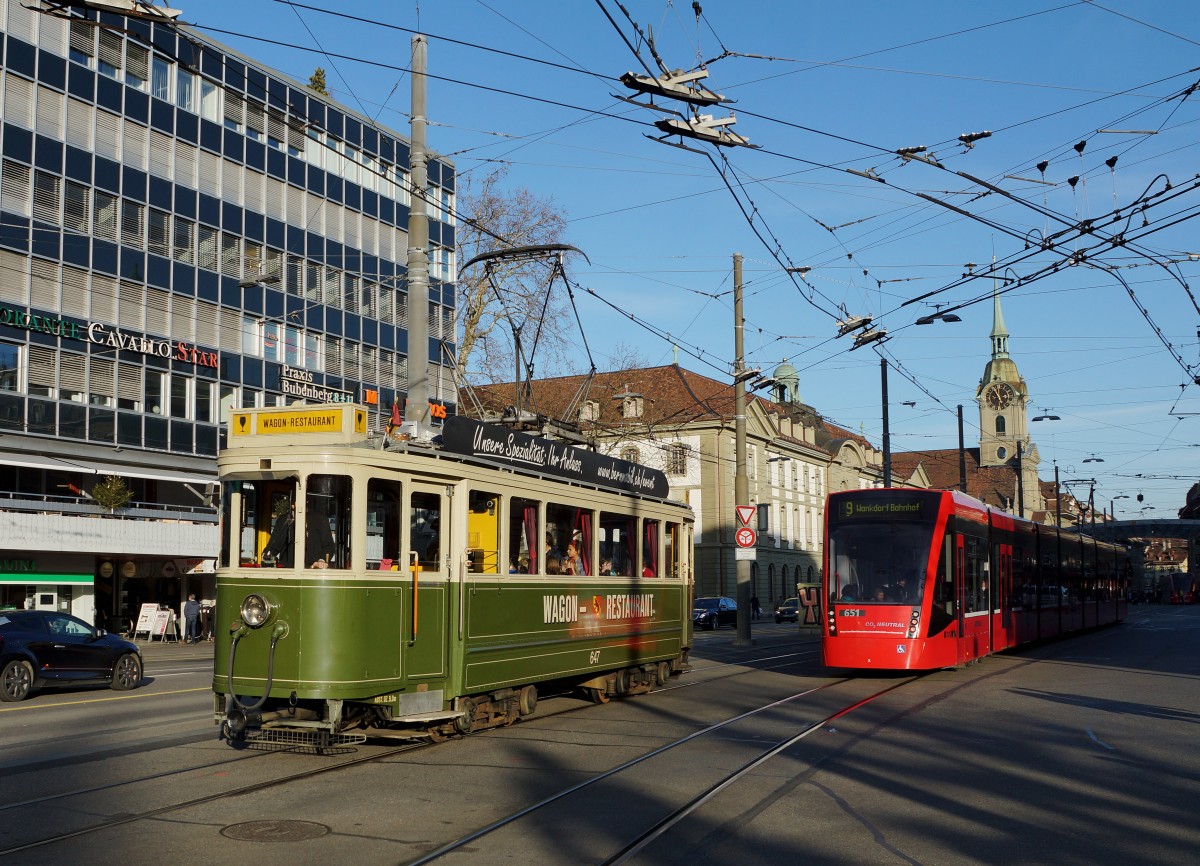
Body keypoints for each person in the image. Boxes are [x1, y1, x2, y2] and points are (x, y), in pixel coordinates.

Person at [262, 502, 296, 567]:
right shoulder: (284, 519)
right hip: (287, 564)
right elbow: (276, 539)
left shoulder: (315, 518)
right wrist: (268, 554)